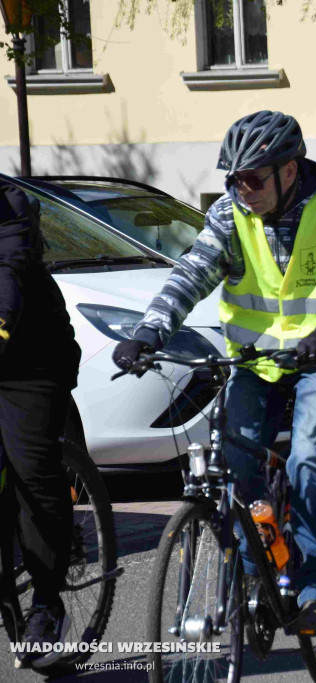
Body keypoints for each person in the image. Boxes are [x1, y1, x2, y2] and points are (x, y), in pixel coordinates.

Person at [112, 111, 316, 634]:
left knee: (307, 457)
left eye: (254, 179)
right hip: (255, 362)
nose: (243, 190)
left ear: (289, 170)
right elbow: (192, 273)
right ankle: (258, 564)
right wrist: (149, 332)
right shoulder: (229, 214)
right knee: (232, 459)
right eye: (234, 179)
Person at [0, 181, 81, 669]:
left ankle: (47, 605)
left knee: (32, 470)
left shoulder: (8, 204)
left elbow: (7, 272)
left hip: (30, 358)